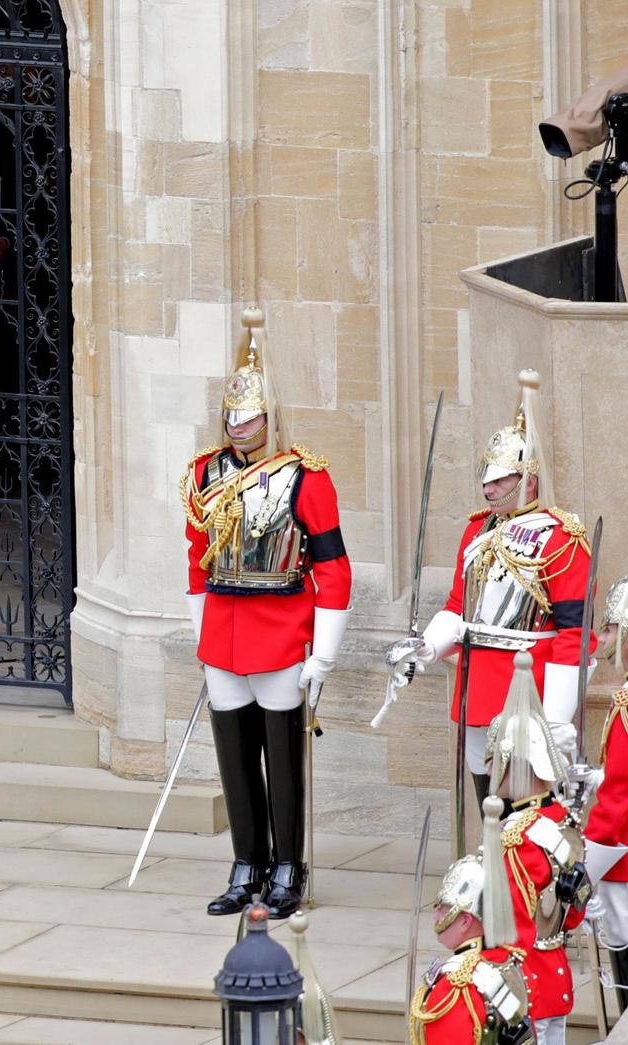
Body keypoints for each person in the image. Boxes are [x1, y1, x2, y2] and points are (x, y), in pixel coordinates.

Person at [180, 307, 350, 918]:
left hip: (281, 628)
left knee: (281, 756)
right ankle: (247, 860)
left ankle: (287, 865)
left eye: (249, 415)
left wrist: (323, 648)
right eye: (232, 415)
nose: (239, 425)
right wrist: (200, 632)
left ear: (269, 415)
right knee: (234, 754)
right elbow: (199, 554)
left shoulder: (306, 477)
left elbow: (331, 565)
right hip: (224, 628)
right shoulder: (206, 472)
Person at [385, 370, 592, 818]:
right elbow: (459, 608)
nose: (489, 487)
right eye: (487, 478)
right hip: (476, 685)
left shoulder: (562, 539)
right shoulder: (476, 532)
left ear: (529, 480)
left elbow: (575, 632)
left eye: (502, 479)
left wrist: (555, 717)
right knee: (489, 808)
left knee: (527, 809)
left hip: (527, 687)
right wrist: (427, 647)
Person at [482, 652, 589, 1045]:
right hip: (554, 972)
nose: (494, 774)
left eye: (497, 764)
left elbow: (504, 922)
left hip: (525, 983)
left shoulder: (517, 835)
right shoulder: (563, 819)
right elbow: (574, 912)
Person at [410, 839, 534, 1045]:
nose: (435, 916)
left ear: (466, 921)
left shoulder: (454, 987)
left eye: (443, 908)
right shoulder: (510, 964)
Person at [578, 577, 628, 1016]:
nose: (604, 639)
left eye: (612, 630)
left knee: (621, 939)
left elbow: (620, 796)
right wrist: (598, 775)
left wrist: (588, 858)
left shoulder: (626, 702)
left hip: (622, 857)